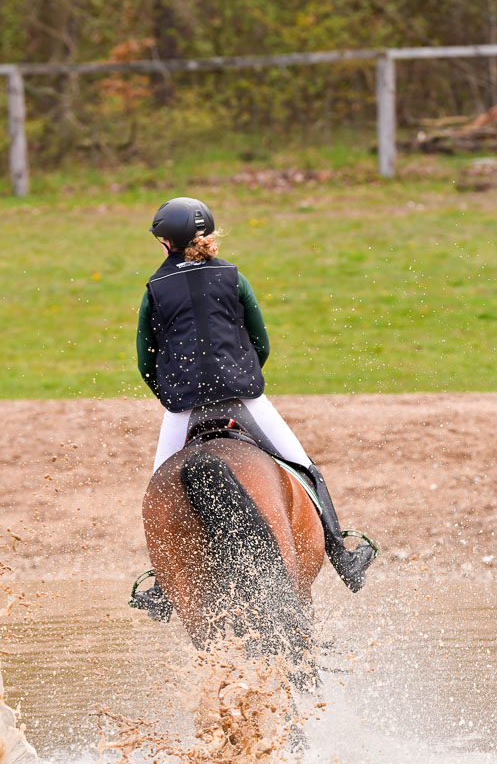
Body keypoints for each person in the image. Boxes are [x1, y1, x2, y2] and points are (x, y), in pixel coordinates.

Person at [134, 197, 376, 616]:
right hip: (245, 397)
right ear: (206, 236)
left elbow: (146, 362)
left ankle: (160, 584)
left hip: (182, 409)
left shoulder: (154, 291)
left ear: (164, 244)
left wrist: (177, 395)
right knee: (303, 468)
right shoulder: (233, 277)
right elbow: (260, 342)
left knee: (160, 490)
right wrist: (242, 377)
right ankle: (343, 555)